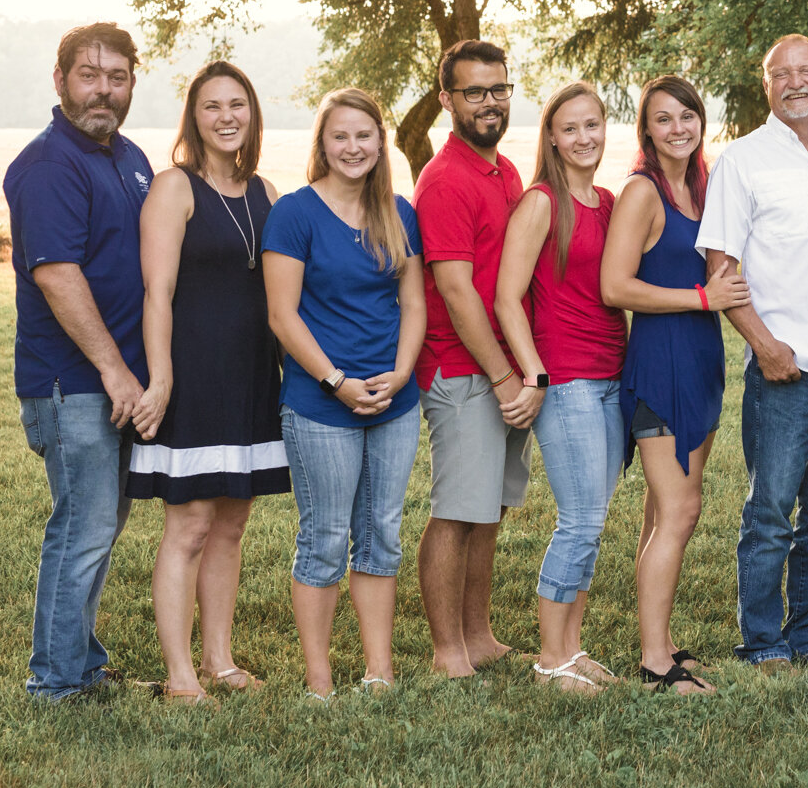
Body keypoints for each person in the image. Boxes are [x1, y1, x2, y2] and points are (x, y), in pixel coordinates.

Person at [697, 35, 808, 672]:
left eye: (807, 71)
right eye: (782, 74)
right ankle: (763, 642)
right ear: (765, 84)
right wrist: (764, 346)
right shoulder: (742, 161)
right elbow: (722, 266)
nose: (796, 82)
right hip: (785, 366)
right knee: (770, 511)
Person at [4, 22, 154, 701]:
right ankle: (55, 682)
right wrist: (116, 370)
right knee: (83, 525)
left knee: (101, 523)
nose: (104, 89)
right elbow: (58, 275)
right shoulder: (48, 164)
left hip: (115, 385)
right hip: (74, 385)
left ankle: (83, 663)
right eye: (89, 74)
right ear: (60, 79)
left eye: (116, 76)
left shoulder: (129, 158)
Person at [130, 61, 288, 705]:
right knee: (189, 525)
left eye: (237, 105)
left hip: (252, 376)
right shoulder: (175, 187)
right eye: (211, 106)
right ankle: (180, 676)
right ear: (193, 118)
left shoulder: (267, 191)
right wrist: (161, 376)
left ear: (252, 114)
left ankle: (220, 661)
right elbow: (157, 293)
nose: (226, 117)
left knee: (231, 524)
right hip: (193, 376)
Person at [261, 88, 426, 699]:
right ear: (322, 145)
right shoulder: (296, 214)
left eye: (364, 135)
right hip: (320, 403)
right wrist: (337, 381)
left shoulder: (399, 212)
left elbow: (413, 302)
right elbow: (283, 315)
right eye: (341, 136)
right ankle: (319, 678)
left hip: (393, 401)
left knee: (381, 532)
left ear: (380, 143)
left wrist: (403, 373)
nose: (353, 147)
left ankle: (378, 672)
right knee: (326, 537)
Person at [601, 75, 750, 694]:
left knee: (664, 511)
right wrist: (700, 297)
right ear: (646, 130)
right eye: (663, 119)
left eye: (686, 115)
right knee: (682, 510)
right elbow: (615, 287)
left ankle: (659, 644)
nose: (678, 128)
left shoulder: (702, 186)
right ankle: (656, 665)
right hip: (660, 364)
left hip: (700, 363)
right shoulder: (643, 192)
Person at [495, 83, 630, 694]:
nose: (584, 138)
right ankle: (551, 659)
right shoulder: (542, 202)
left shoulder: (607, 201)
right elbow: (506, 297)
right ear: (551, 136)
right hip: (568, 380)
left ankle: (572, 649)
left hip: (611, 377)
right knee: (577, 520)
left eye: (593, 125)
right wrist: (536, 371)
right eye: (570, 128)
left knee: (594, 519)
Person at [412, 40, 529, 678]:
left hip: (506, 369)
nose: (489, 102)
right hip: (464, 370)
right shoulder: (446, 179)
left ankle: (478, 633)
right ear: (446, 100)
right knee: (457, 511)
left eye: (499, 89)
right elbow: (456, 293)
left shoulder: (503, 170)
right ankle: (447, 649)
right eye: (475, 92)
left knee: (491, 508)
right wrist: (507, 376)